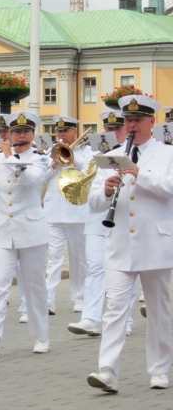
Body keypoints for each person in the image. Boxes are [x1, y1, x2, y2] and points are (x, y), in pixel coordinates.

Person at [87, 95, 173, 393]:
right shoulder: (112, 155)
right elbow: (94, 202)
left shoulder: (167, 154)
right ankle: (107, 370)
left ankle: (160, 369)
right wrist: (107, 189)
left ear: (152, 122)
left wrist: (139, 174)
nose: (132, 125)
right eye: (128, 120)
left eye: (138, 120)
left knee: (159, 309)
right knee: (114, 308)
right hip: (120, 242)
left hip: (155, 243)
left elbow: (170, 188)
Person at [0, 111, 51, 358]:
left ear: (32, 134)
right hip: (3, 230)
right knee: (0, 284)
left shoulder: (40, 158)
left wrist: (10, 156)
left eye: (25, 132)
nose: (20, 135)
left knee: (35, 286)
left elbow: (31, 182)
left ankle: (41, 335)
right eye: (16, 132)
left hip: (31, 231)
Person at [68, 111, 137, 337]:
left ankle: (125, 320)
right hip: (98, 222)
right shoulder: (93, 156)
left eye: (117, 128)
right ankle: (90, 318)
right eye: (108, 129)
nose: (111, 133)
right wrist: (105, 190)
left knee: (125, 271)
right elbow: (91, 196)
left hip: (126, 223)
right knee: (95, 268)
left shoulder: (137, 155)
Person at [43, 116, 92, 315]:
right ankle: (48, 298)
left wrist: (72, 157)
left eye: (66, 131)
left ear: (75, 132)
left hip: (77, 213)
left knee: (78, 258)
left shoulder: (87, 152)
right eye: (59, 131)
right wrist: (54, 162)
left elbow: (89, 173)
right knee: (52, 257)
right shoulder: (50, 152)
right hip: (53, 212)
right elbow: (41, 178)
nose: (62, 135)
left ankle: (79, 298)